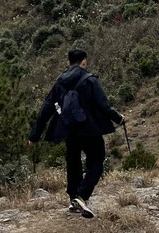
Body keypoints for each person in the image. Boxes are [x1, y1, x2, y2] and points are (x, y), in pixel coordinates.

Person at [28, 49, 123, 219]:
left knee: (73, 163)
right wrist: (119, 118)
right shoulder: (90, 80)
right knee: (96, 161)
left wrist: (34, 135)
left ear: (68, 62)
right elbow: (103, 106)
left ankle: (73, 199)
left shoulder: (59, 83)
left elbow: (46, 109)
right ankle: (82, 196)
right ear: (84, 62)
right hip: (90, 129)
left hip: (69, 129)